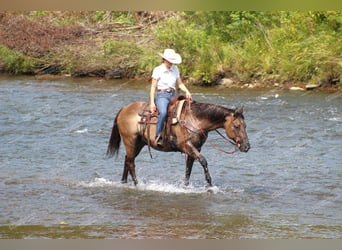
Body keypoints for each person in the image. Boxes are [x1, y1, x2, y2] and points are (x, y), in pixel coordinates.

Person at [150, 49, 192, 145]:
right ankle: (158, 135)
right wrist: (152, 102)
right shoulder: (158, 70)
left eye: (172, 61)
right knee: (164, 112)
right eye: (170, 61)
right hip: (162, 95)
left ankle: (182, 134)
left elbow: (180, 83)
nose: (171, 63)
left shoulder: (175, 69)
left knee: (186, 109)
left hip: (174, 94)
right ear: (164, 59)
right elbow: (153, 87)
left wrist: (187, 91)